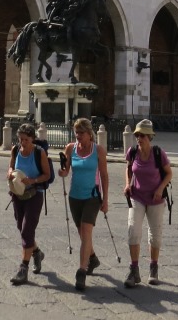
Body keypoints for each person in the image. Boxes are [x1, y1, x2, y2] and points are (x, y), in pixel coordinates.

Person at [59, 116, 109, 291]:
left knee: (86, 230)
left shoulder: (98, 150)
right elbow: (66, 171)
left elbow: (104, 176)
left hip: (92, 196)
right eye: (76, 133)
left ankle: (81, 271)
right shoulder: (70, 148)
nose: (78, 136)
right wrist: (62, 172)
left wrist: (105, 199)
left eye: (81, 133)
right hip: (75, 196)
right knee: (82, 233)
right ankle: (92, 258)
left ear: (89, 133)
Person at [123, 119, 172, 288]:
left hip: (155, 199)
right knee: (133, 230)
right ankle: (134, 269)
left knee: (155, 235)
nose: (139, 138)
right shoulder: (133, 152)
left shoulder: (158, 153)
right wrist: (128, 184)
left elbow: (169, 173)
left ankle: (153, 267)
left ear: (149, 137)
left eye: (142, 135)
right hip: (137, 196)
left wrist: (160, 188)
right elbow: (128, 168)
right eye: (137, 135)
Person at [6, 123, 50, 285]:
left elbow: (47, 175)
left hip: (34, 194)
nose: (23, 142)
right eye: (21, 139)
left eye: (26, 139)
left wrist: (33, 180)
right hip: (18, 194)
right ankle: (37, 252)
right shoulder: (15, 150)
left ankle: (23, 269)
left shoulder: (39, 152)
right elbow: (11, 166)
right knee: (21, 227)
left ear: (32, 138)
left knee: (27, 230)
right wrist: (10, 173)